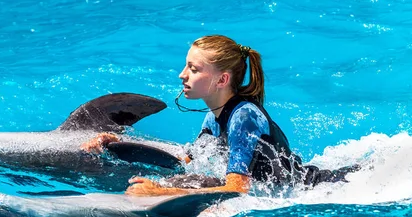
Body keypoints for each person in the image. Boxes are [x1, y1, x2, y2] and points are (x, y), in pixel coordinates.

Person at [81, 35, 358, 196]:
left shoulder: (244, 117)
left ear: (222, 79)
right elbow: (186, 161)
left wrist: (163, 192)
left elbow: (237, 188)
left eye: (194, 68)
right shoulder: (213, 116)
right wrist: (117, 143)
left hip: (328, 188)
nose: (182, 74)